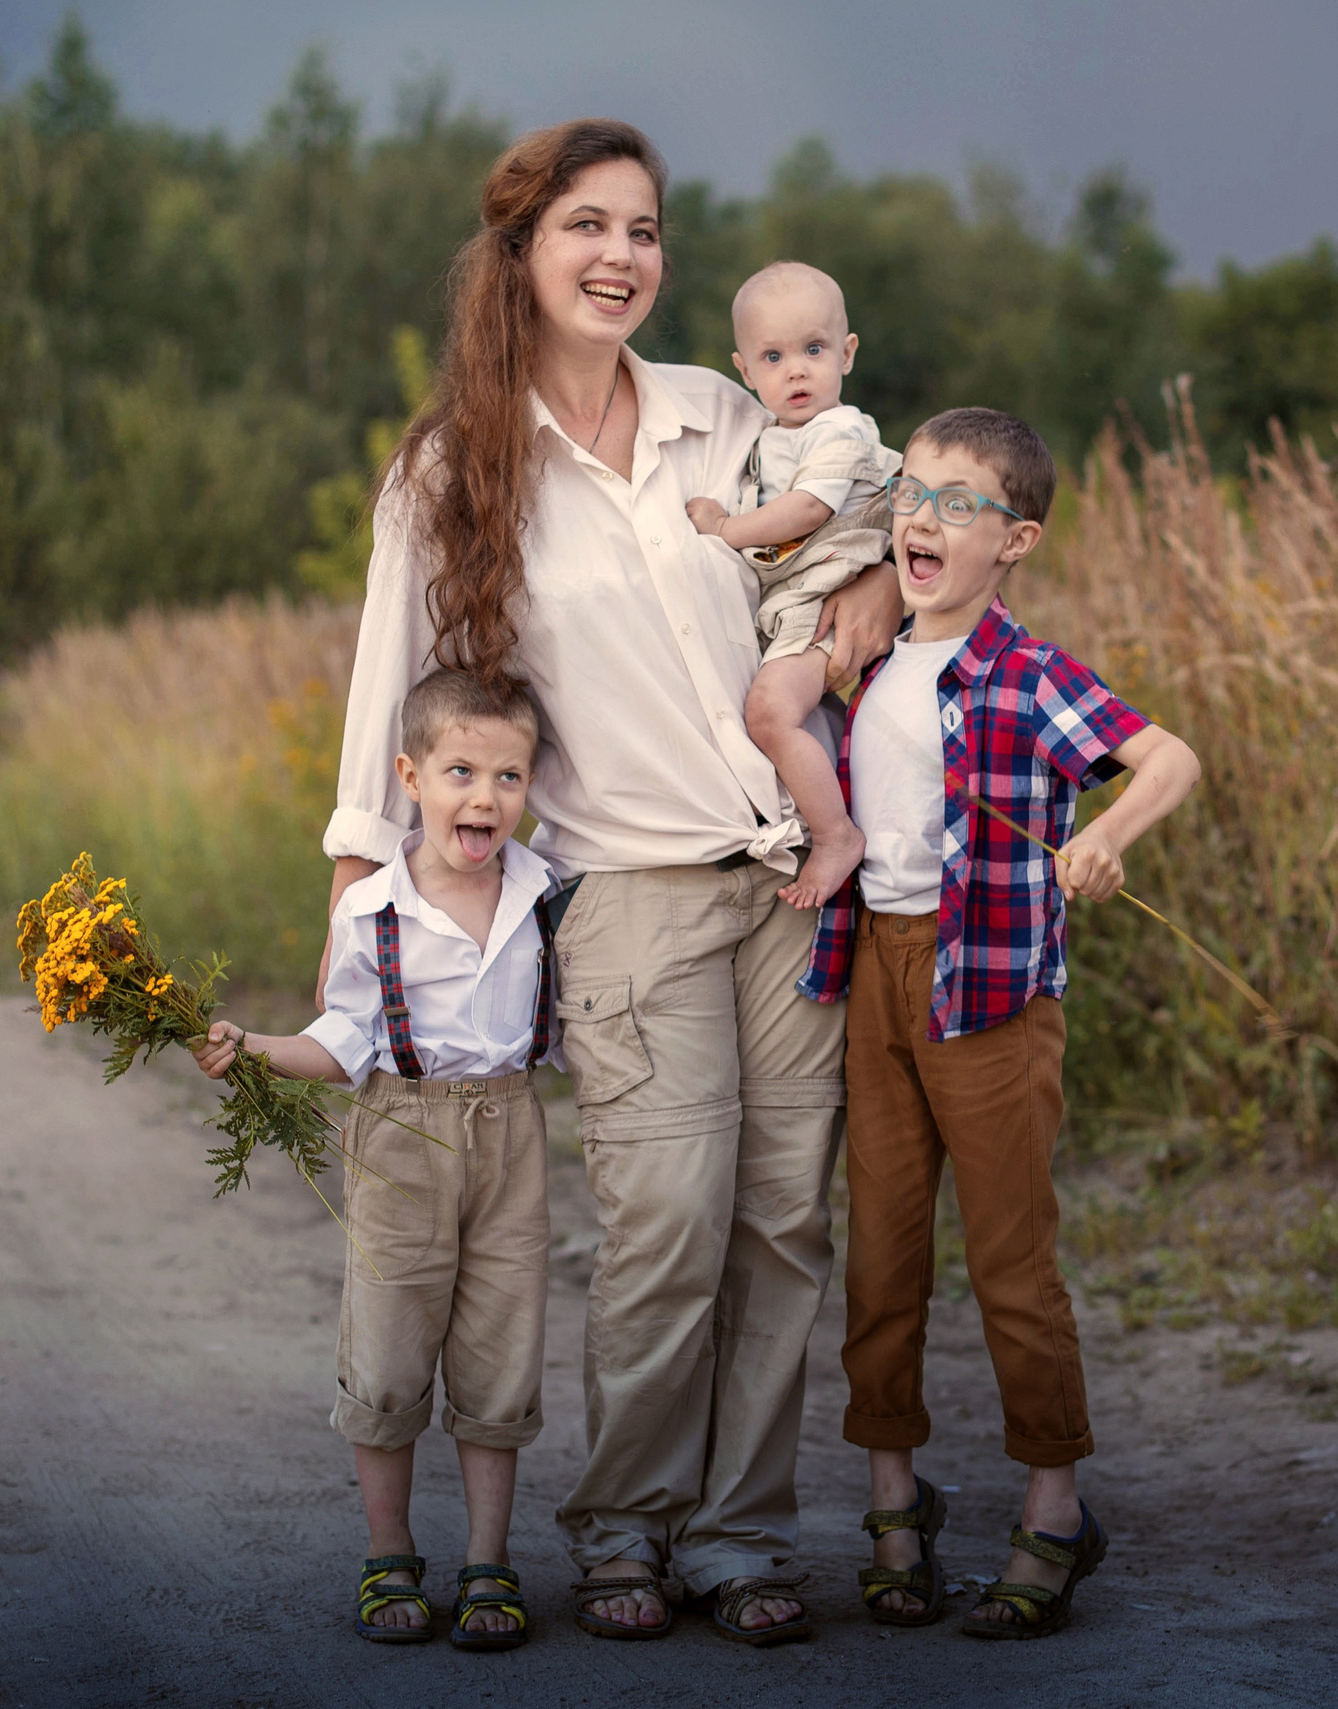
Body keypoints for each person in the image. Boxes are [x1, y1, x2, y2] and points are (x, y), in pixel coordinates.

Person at [324, 118, 904, 1645]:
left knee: (784, 1218)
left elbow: (873, 526)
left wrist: (852, 599)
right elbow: (391, 692)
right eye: (587, 225)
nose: (621, 257)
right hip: (626, 895)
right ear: (520, 250)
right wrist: (359, 904)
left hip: (786, 879)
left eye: (644, 229)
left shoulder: (731, 415)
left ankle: (739, 1535)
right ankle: (627, 1528)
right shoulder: (457, 466)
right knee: (663, 1215)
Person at [798, 407, 1202, 1638]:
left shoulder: (1027, 671)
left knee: (1012, 1269)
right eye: (913, 492)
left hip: (989, 994)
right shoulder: (866, 655)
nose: (924, 516)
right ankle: (893, 1504)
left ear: (1015, 539)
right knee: (881, 1257)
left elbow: (1169, 757)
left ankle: (1052, 1508)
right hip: (876, 969)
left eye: (960, 502)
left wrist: (1103, 841)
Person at [194, 669, 559, 1652]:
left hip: (512, 1132)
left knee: (499, 1347)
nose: (484, 796)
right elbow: (343, 1038)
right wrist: (255, 1046)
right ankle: (389, 1549)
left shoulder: (544, 891)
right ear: (409, 776)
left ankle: (490, 1560)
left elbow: (572, 1025)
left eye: (509, 775)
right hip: (400, 1128)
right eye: (459, 771)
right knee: (390, 1345)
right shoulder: (373, 911)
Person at [684, 260, 903, 912]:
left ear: (847, 352)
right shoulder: (766, 439)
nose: (797, 370)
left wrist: (726, 527)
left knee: (770, 712)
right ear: (744, 371)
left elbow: (808, 509)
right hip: (792, 604)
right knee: (802, 718)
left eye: (814, 349)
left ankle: (836, 835)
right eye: (773, 357)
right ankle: (830, 811)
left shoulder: (841, 430)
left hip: (825, 594)